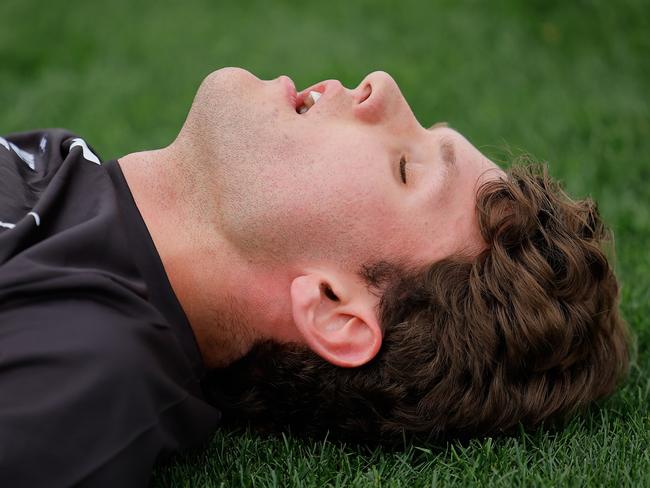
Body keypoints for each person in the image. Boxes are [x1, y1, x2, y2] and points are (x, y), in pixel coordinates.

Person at [0, 68, 631, 486]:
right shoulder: (64, 184)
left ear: (334, 308)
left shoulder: (85, 369)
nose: (381, 86)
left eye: (405, 166)